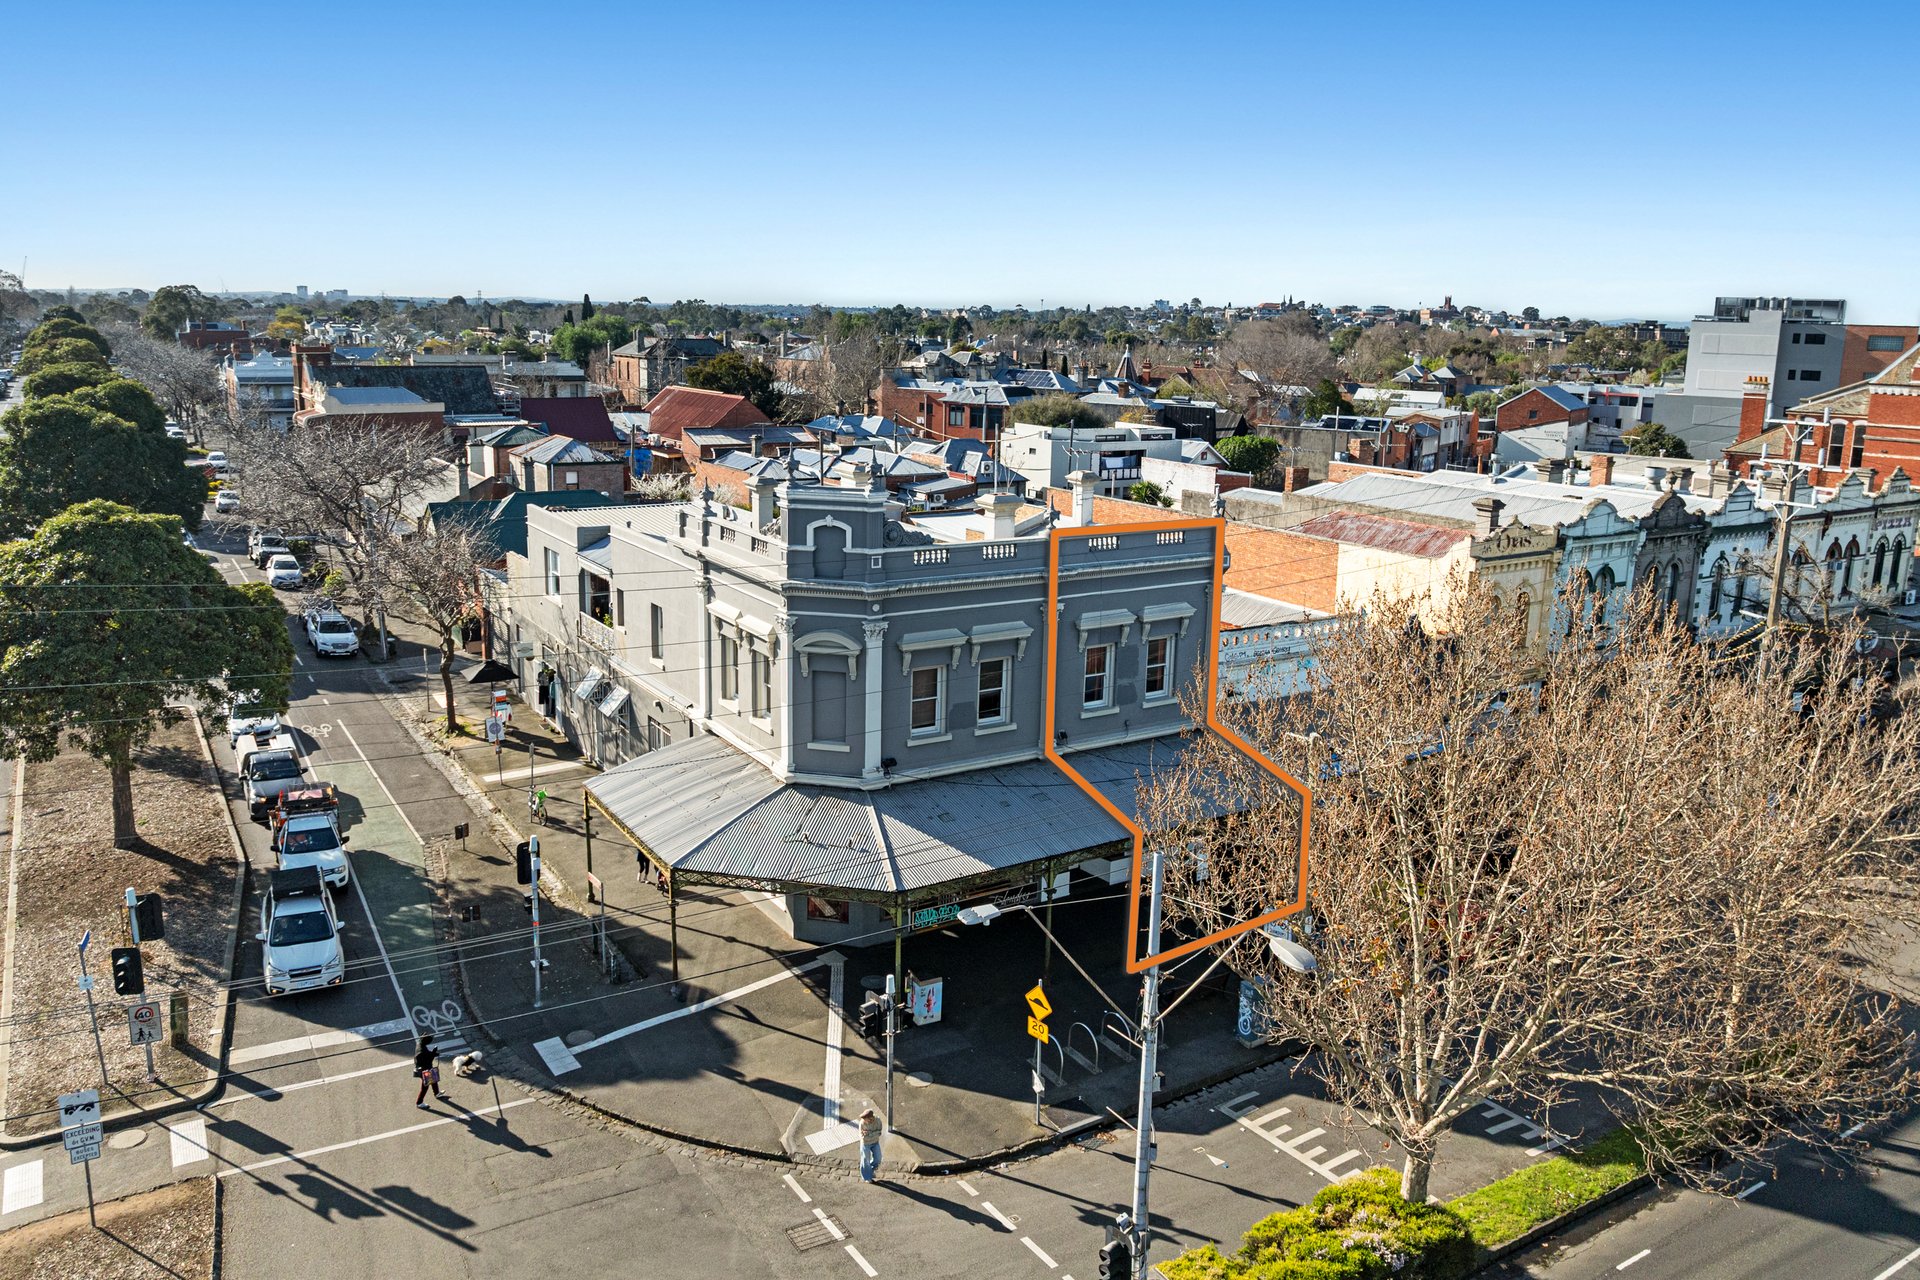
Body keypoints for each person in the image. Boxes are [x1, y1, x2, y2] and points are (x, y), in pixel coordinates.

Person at [414, 1035, 449, 1108]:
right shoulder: (422, 1051)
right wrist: (433, 1053)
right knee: (425, 1087)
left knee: (434, 1080)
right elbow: (428, 1060)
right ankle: (419, 1102)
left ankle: (437, 1093)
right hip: (425, 1069)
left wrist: (432, 1053)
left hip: (425, 1068)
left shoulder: (420, 1045)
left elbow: (427, 1055)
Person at [858, 1106, 882, 1183]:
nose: (864, 1121)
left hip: (875, 1142)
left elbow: (879, 1132)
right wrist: (871, 1134)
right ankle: (867, 1177)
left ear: (871, 1118)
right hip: (865, 1143)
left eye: (866, 1119)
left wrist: (869, 1133)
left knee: (878, 1158)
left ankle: (870, 1171)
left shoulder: (878, 1121)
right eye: (864, 1119)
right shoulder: (862, 1123)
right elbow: (862, 1136)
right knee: (865, 1160)